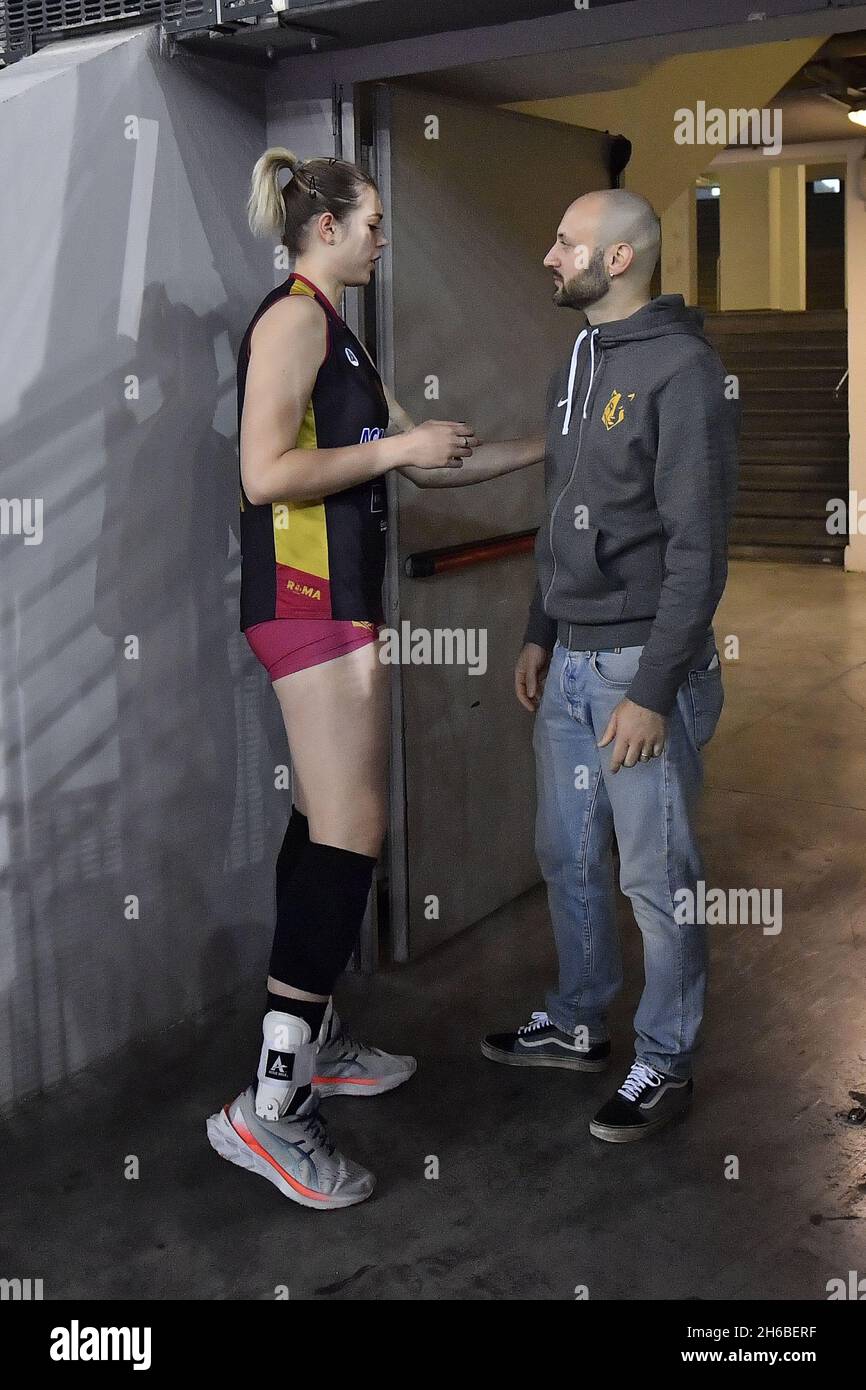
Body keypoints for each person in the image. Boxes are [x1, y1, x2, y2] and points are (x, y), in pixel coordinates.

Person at [207, 147, 545, 1207]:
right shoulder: (293, 317)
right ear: (327, 228)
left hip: (331, 604)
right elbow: (265, 473)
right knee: (352, 836)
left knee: (320, 828)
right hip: (308, 605)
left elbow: (429, 450)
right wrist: (395, 457)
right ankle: (269, 1111)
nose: (383, 237)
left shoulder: (335, 325)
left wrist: (552, 448)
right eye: (374, 222)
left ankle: (311, 1038)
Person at [481, 188, 740, 1142]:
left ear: (618, 260)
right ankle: (580, 1018)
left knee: (654, 880)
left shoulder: (685, 373)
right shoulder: (578, 363)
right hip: (574, 663)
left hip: (641, 669)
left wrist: (652, 690)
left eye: (565, 242)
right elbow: (563, 514)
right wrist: (540, 631)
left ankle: (664, 1061)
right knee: (565, 852)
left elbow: (697, 553)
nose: (550, 255)